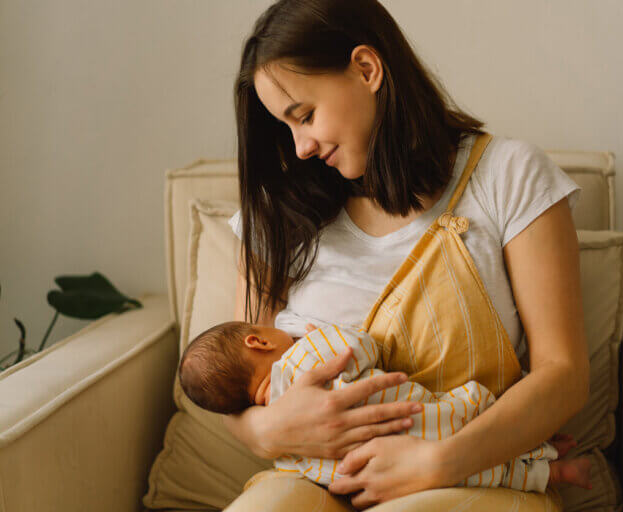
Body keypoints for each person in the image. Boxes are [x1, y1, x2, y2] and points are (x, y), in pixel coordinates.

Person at [223, 0, 590, 510]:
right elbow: (231, 372)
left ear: (367, 69)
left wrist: (437, 462)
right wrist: (267, 431)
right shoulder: (278, 214)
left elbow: (564, 374)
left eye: (304, 116)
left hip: (466, 476)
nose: (300, 146)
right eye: (285, 128)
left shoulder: (507, 175)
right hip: (313, 479)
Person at [178, 320, 593, 493]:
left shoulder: (288, 457)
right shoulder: (304, 356)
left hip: (381, 474)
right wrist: (322, 333)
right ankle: (539, 440)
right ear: (259, 341)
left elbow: (326, 476)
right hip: (422, 416)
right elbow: (362, 348)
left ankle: (552, 471)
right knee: (475, 410)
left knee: (484, 475)